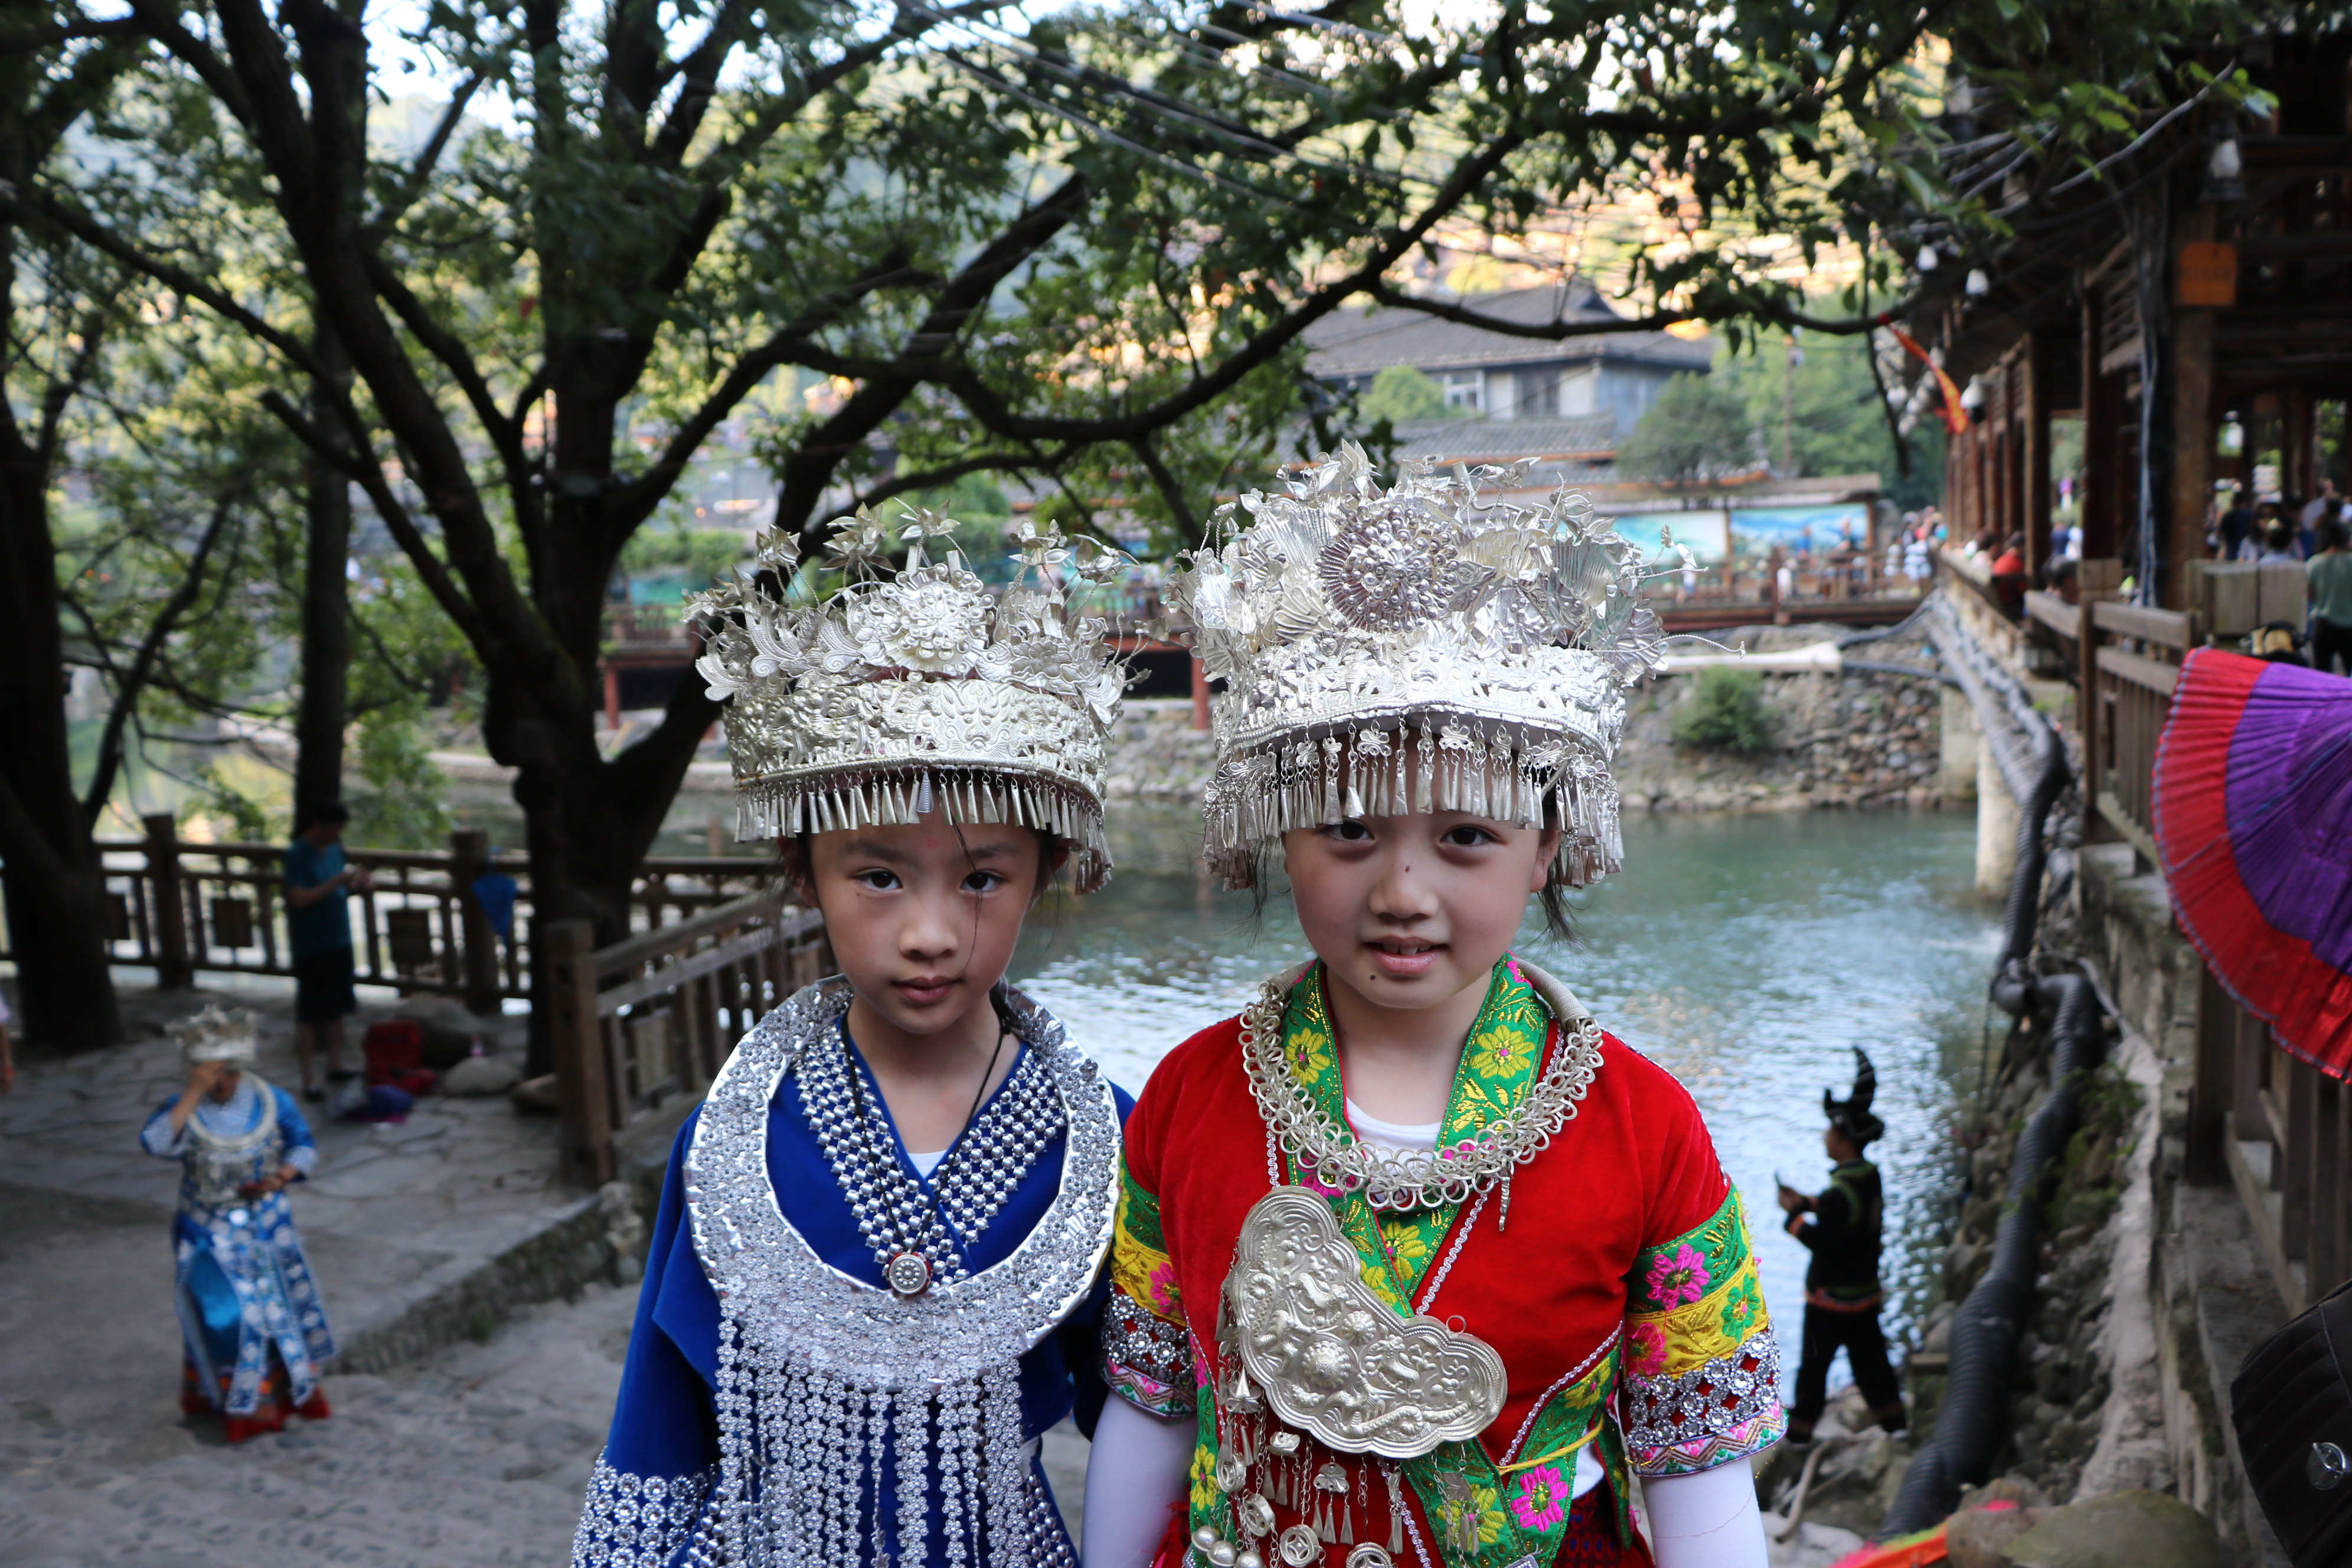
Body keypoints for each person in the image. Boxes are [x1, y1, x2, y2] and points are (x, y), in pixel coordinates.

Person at [1085, 448, 1781, 1568]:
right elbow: (1153, 1408)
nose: (1402, 892)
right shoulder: (1188, 1098)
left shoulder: (1645, 1129)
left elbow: (1693, 1467)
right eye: (1349, 829)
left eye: (1465, 836)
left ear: (1546, 848)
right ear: (1280, 832)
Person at [572, 517, 1135, 1567]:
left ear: (1044, 875)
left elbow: (1148, 1418)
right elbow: (663, 1418)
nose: (929, 933)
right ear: (804, 875)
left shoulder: (1107, 1141)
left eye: (982, 879)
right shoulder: (734, 1138)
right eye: (878, 877)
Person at [139, 1005, 335, 1442]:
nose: (222, 1083)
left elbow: (303, 1145)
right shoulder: (184, 1109)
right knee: (227, 1315)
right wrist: (193, 1093)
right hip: (205, 1232)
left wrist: (280, 1178)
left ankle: (275, 1401)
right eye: (212, 1075)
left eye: (228, 1073)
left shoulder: (272, 1101)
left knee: (274, 1312)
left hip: (266, 1228)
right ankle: (240, 1404)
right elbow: (155, 1144)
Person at [1775, 1050, 1903, 1446]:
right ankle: (1898, 1430)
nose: (1825, 1137)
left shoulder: (1837, 1194)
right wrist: (1808, 1203)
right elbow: (1849, 1215)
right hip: (1865, 1293)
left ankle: (1799, 1438)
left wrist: (1793, 1217)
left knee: (1813, 1369)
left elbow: (1825, 1243)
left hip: (1830, 1303)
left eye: (1831, 1131)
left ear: (1845, 1141)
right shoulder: (1868, 1176)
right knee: (1873, 1366)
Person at [283, 800, 371, 1100]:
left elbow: (340, 892)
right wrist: (336, 882)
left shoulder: (335, 850)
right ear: (317, 824)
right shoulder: (297, 855)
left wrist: (358, 886)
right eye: (333, 828)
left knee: (337, 1009)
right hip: (312, 945)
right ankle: (309, 1079)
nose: (337, 835)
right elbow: (300, 899)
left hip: (339, 940)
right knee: (309, 1015)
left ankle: (335, 1065)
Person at [2311, 518, 2352, 676]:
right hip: (2349, 627)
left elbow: (2311, 596)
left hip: (2324, 626)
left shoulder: (2314, 563)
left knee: (2322, 676)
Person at [2219, 488, 2257, 560]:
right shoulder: (2250, 515)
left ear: (2235, 502)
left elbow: (2220, 531)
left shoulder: (2229, 515)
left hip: (2232, 547)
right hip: (2246, 546)